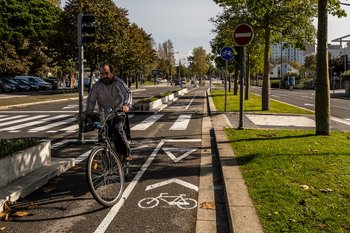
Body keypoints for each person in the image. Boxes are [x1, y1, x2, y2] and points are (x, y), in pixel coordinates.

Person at [86, 63, 132, 161]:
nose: (104, 76)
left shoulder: (118, 83)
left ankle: (126, 153)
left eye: (106, 73)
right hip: (104, 115)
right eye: (102, 74)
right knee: (102, 137)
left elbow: (127, 93)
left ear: (112, 73)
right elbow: (91, 100)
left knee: (117, 129)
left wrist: (126, 105)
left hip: (118, 112)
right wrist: (89, 113)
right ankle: (104, 160)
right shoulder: (97, 86)